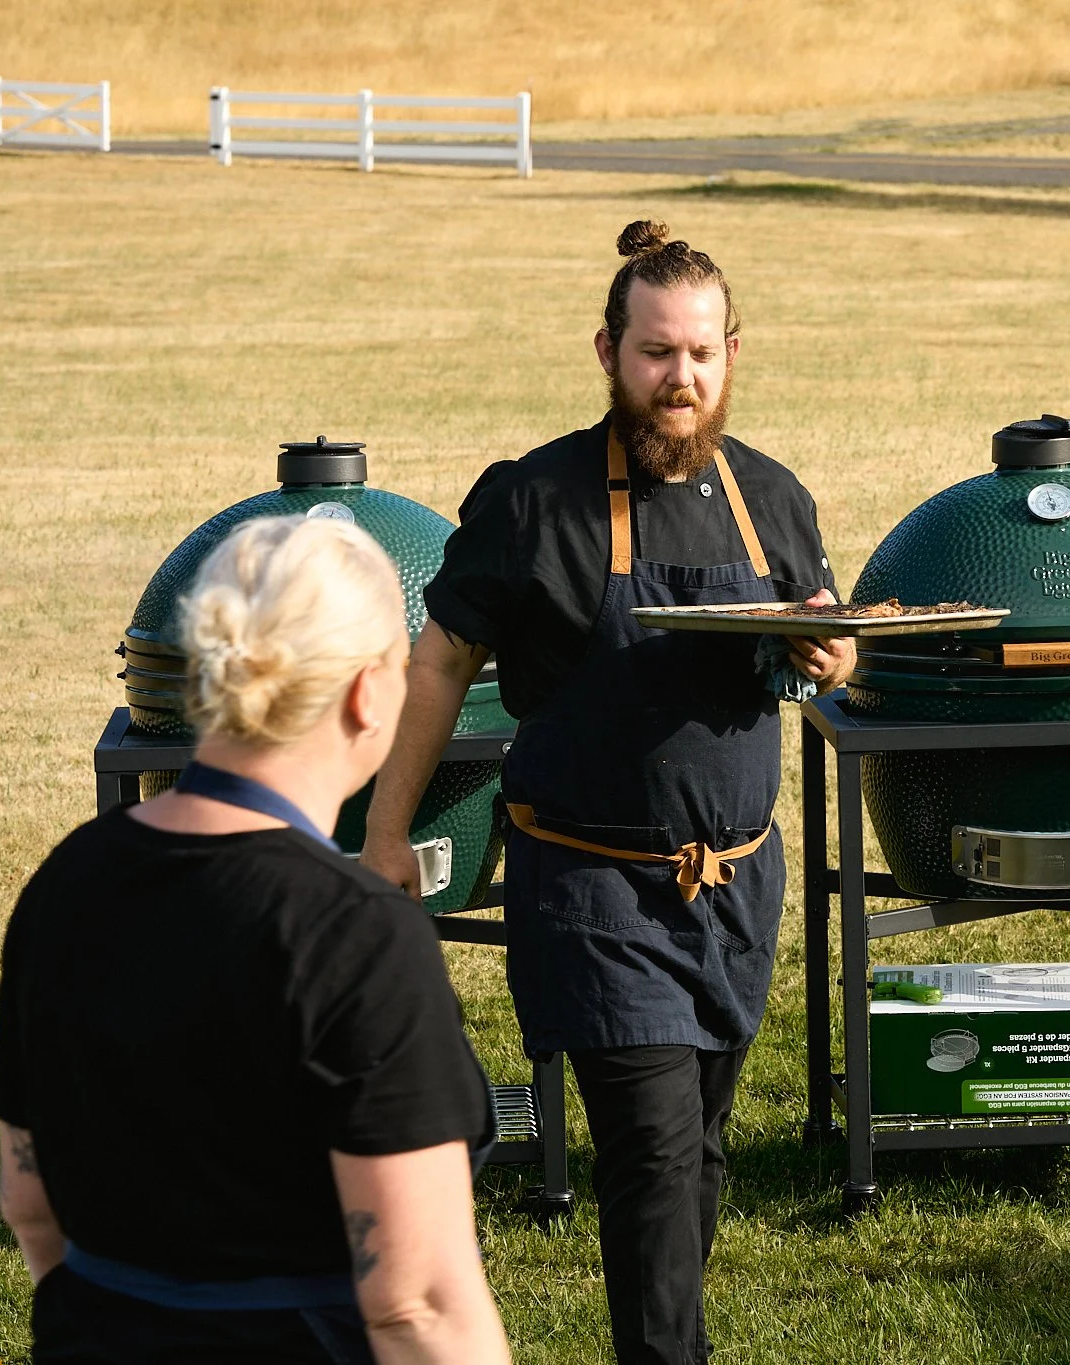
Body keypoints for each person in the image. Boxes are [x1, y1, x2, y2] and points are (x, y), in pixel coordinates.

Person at [361, 219, 855, 1365]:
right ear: (606, 351)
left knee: (702, 1147)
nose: (677, 378)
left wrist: (838, 659)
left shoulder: (772, 499)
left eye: (698, 353)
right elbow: (438, 661)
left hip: (733, 886)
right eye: (653, 354)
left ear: (733, 351)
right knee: (649, 1149)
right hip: (590, 884)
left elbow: (818, 642)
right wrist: (387, 830)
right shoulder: (534, 501)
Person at [0, 515, 513, 1365]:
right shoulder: (358, 936)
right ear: (367, 692)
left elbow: (29, 1200)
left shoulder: (67, 882)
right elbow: (416, 1304)